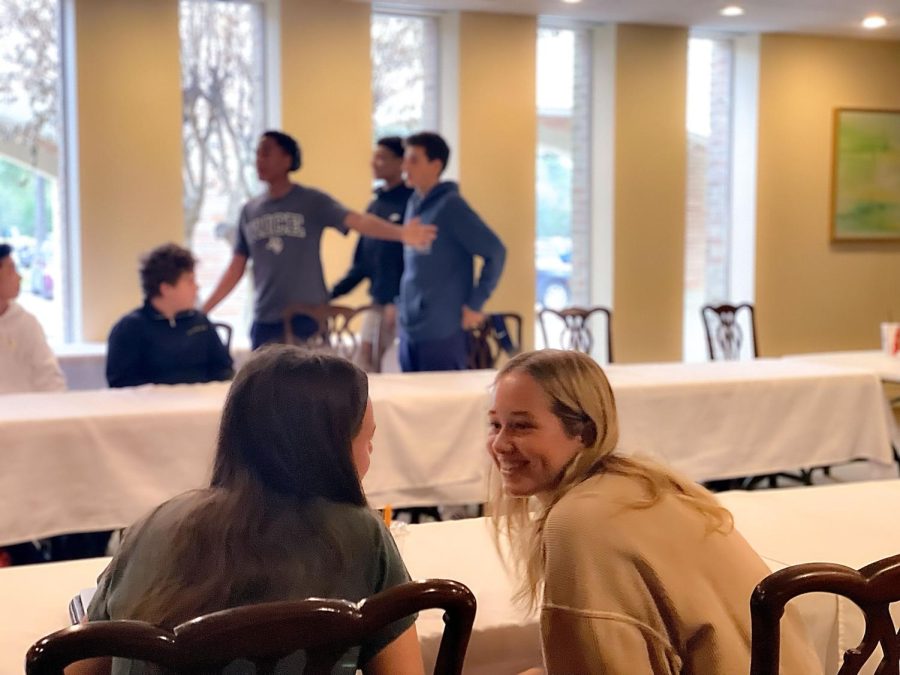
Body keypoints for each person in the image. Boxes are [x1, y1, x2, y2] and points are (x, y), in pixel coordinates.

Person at [77, 346, 424, 675]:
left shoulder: (153, 527)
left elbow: (76, 665)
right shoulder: (363, 537)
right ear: (330, 451)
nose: (371, 453)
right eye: (367, 441)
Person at [487, 350, 821, 675]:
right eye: (495, 425)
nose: (500, 444)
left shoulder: (577, 522)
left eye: (521, 426)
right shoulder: (643, 486)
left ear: (584, 432)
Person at [201, 130, 436, 350]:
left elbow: (358, 221)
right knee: (265, 389)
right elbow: (236, 267)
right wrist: (204, 310)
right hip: (266, 317)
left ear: (287, 159)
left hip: (309, 317)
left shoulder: (311, 201)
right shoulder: (249, 211)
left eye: (267, 152)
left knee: (311, 388)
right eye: (257, 154)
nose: (259, 160)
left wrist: (402, 234)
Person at [398, 132, 506, 372]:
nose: (405, 166)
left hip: (442, 329)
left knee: (439, 405)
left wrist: (475, 304)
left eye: (414, 160)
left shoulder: (450, 205)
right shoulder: (414, 203)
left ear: (435, 165)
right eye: (406, 159)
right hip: (410, 326)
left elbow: (496, 251)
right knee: (411, 404)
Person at [331, 136, 412, 372]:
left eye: (382, 158)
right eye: (374, 157)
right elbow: (362, 264)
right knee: (364, 359)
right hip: (378, 302)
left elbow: (412, 262)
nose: (375, 163)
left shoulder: (412, 203)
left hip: (404, 305)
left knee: (393, 365)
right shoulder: (375, 206)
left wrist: (396, 299)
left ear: (401, 163)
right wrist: (330, 294)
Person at [106, 243, 233, 388]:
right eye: (190, 281)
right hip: (150, 408)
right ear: (166, 288)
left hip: (200, 407)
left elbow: (224, 371)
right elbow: (121, 384)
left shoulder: (201, 322)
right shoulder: (129, 329)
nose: (197, 287)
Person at [0, 242, 66, 394]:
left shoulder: (25, 322)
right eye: (11, 270)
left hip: (26, 410)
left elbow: (48, 374)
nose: (19, 277)